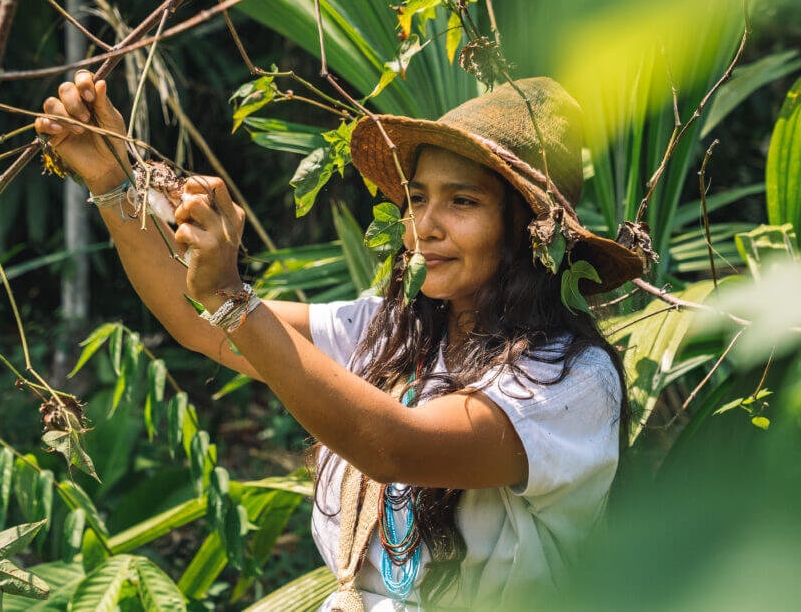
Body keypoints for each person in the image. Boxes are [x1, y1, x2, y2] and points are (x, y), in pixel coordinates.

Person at [36, 72, 645, 611]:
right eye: (417, 198)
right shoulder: (388, 333)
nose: (424, 226)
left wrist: (232, 298)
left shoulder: (572, 378)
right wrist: (111, 178)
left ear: (532, 233)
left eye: (462, 201)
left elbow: (399, 448)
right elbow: (196, 319)